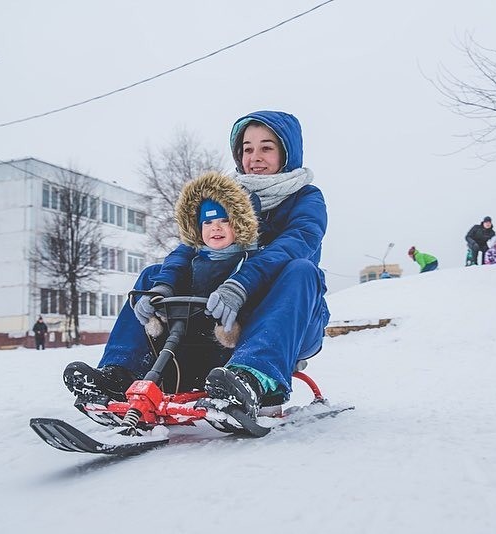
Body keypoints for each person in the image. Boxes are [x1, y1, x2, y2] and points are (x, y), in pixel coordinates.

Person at [63, 110, 329, 428]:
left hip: (288, 318)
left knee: (300, 270)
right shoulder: (225, 197)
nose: (255, 157)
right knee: (153, 275)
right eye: (247, 148)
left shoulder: (306, 199)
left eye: (266, 147)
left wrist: (241, 283)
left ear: (287, 152)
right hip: (220, 315)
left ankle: (251, 377)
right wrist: (162, 288)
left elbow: (295, 243)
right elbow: (189, 247)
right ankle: (119, 375)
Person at [135, 170, 261, 390]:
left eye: (225, 220)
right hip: (185, 341)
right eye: (208, 222)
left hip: (225, 349)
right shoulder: (192, 260)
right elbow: (173, 273)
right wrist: (159, 305)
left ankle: (241, 381)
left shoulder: (248, 262)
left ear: (240, 224)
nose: (216, 227)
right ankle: (121, 370)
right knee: (150, 274)